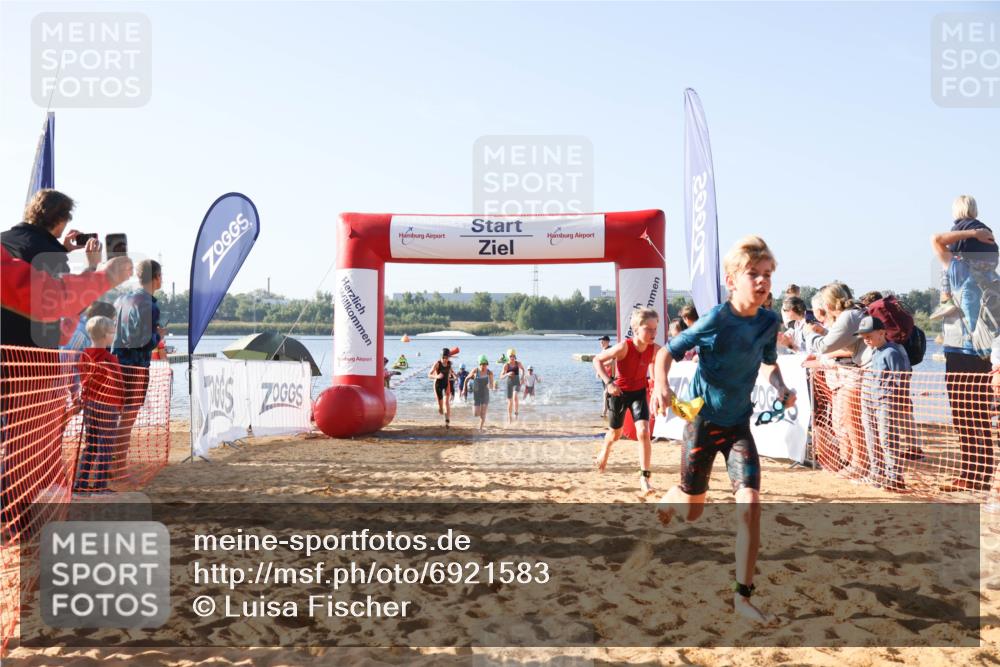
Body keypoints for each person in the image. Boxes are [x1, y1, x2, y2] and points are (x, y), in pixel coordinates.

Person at [652, 235, 794, 625]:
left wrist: (781, 387)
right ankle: (674, 493)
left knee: (750, 506)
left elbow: (769, 363)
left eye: (767, 275)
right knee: (693, 512)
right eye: (754, 274)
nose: (763, 282)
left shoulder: (769, 321)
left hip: (738, 429)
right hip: (702, 425)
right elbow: (666, 352)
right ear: (733, 279)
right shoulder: (716, 319)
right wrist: (661, 385)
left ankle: (742, 598)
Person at [931, 194, 998, 492]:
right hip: (985, 354)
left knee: (963, 415)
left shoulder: (960, 271)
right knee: (981, 414)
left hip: (960, 351)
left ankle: (971, 474)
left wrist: (969, 231)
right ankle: (983, 474)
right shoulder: (993, 278)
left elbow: (937, 240)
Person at [2, 189, 105, 348]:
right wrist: (92, 266)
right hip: (31, 354)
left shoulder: (4, 239)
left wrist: (61, 250)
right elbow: (72, 304)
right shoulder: (52, 254)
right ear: (61, 220)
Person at [593, 307, 660, 494]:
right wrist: (608, 383)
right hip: (619, 394)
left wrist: (658, 387)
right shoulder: (624, 347)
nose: (653, 333)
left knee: (644, 432)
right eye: (649, 329)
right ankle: (605, 449)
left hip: (639, 393)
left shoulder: (655, 349)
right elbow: (597, 360)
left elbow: (664, 361)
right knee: (615, 433)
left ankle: (644, 478)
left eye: (656, 329)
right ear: (636, 329)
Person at [806, 282, 868, 478]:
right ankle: (852, 461)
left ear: (831, 303)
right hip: (855, 372)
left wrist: (810, 335)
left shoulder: (848, 316)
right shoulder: (853, 313)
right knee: (846, 420)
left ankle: (859, 464)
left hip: (855, 374)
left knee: (853, 421)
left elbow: (825, 346)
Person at [111, 260, 163, 463]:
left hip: (116, 363)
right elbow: (144, 342)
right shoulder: (149, 305)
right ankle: (118, 464)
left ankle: (111, 461)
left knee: (116, 415)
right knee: (128, 416)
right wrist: (158, 336)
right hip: (136, 366)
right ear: (157, 277)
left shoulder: (121, 299)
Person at [856, 315, 911, 492]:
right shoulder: (874, 352)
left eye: (869, 336)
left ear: (882, 333)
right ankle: (877, 472)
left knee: (888, 438)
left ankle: (895, 477)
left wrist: (902, 400)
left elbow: (901, 378)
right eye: (864, 337)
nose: (866, 340)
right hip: (872, 399)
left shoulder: (891, 352)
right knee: (872, 437)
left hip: (887, 401)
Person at [74, 316, 125, 493]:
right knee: (105, 446)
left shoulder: (83, 357)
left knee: (91, 445)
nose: (113, 336)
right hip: (108, 407)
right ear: (105, 335)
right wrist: (121, 405)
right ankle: (100, 486)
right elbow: (118, 384)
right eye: (112, 333)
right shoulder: (110, 359)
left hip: (90, 406)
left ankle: (80, 483)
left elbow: (83, 380)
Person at [465, 355, 496, 430]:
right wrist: (464, 389)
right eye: (482, 364)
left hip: (485, 394)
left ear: (487, 364)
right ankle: (474, 408)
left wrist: (491, 386)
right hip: (477, 395)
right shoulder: (475, 371)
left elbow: (492, 384)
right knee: (476, 414)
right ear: (479, 364)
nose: (483, 366)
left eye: (485, 364)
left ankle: (480, 428)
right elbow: (466, 379)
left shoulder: (489, 373)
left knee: (483, 413)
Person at [428, 347, 455, 427]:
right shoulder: (437, 364)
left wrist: (454, 375)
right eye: (443, 357)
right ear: (441, 357)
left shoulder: (449, 363)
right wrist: (437, 377)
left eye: (447, 357)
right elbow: (429, 374)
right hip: (438, 385)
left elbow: (450, 370)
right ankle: (441, 409)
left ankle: (447, 421)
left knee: (447, 403)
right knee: (441, 408)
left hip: (446, 384)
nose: (445, 359)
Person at [501, 348, 525, 423]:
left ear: (515, 356)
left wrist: (522, 378)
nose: (512, 357)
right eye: (511, 356)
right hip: (509, 383)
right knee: (510, 401)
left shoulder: (518, 363)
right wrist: (507, 374)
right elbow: (501, 377)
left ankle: (516, 414)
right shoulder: (506, 365)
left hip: (516, 382)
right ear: (508, 357)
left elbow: (523, 370)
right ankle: (510, 418)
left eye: (513, 356)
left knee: (515, 396)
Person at [597, 335, 615, 418]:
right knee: (607, 394)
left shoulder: (611, 350)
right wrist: (599, 371)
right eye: (600, 341)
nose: (601, 342)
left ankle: (604, 412)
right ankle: (610, 412)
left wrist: (601, 366)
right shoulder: (603, 351)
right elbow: (600, 361)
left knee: (606, 393)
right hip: (604, 375)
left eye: (603, 340)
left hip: (611, 375)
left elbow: (612, 361)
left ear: (608, 341)